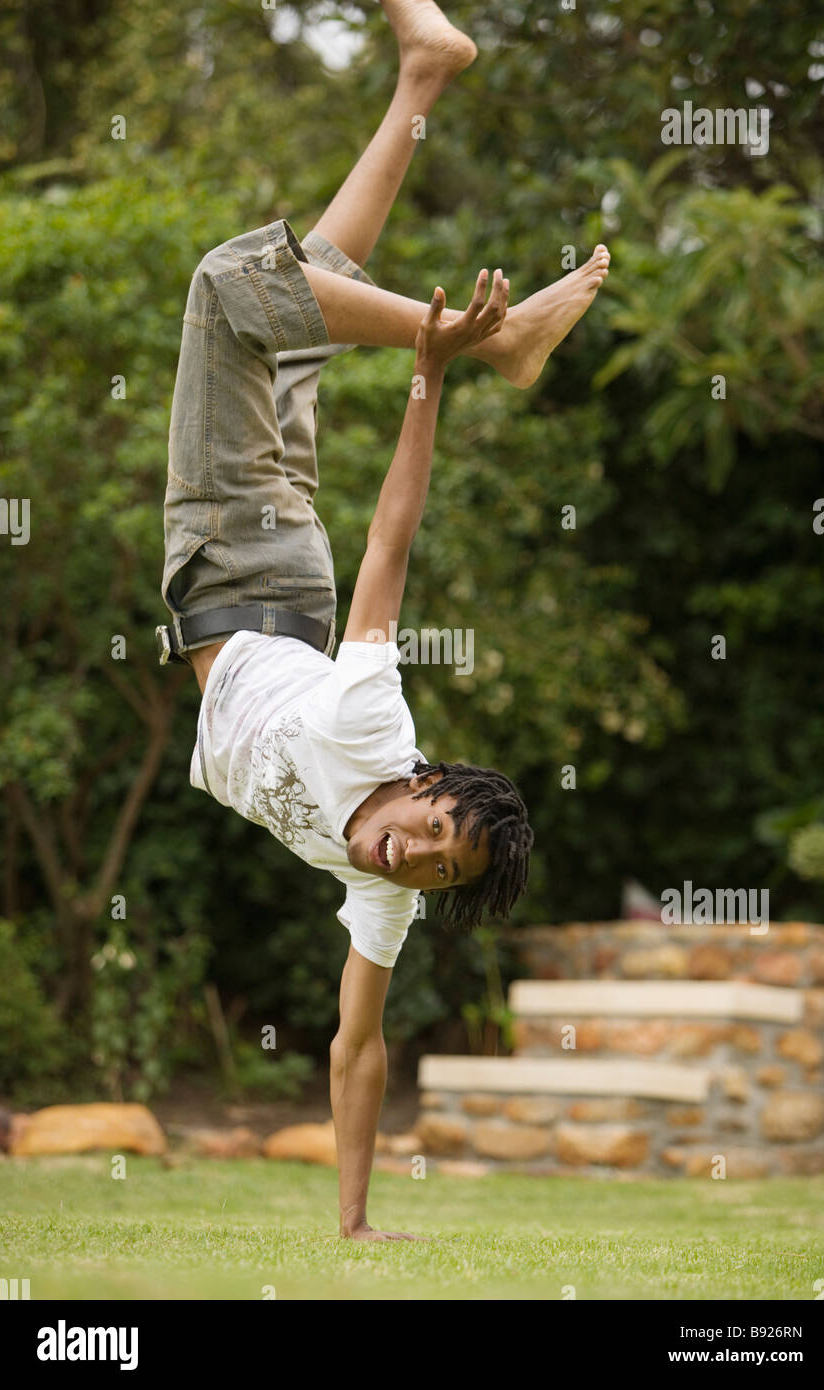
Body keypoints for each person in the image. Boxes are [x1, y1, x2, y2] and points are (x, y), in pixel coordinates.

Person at [157, 0, 610, 1241]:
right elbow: (392, 542)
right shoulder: (375, 721)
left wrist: (353, 1226)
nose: (410, 856)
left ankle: (423, 69)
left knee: (306, 298)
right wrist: (430, 362)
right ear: (425, 781)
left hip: (264, 582)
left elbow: (358, 1049)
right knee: (230, 286)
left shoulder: (385, 899)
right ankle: (488, 340)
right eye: (430, 832)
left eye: (432, 868)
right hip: (241, 559)